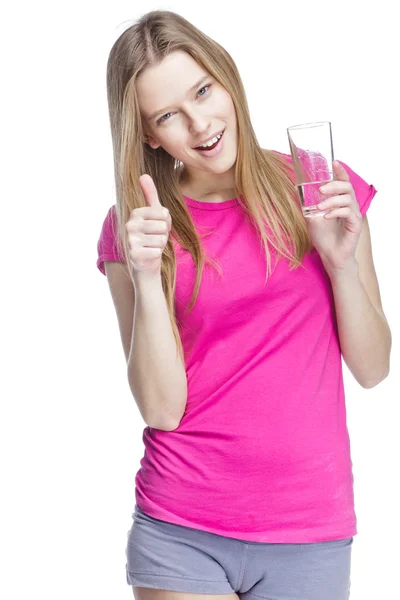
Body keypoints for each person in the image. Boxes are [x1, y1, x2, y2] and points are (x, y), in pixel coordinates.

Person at [96, 10, 392, 600]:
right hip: (181, 526)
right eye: (168, 116)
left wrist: (338, 262)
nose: (200, 123)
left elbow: (374, 368)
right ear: (151, 135)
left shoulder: (321, 187)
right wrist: (148, 278)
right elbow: (160, 408)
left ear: (227, 78)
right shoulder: (138, 232)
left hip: (310, 526)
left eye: (203, 91)